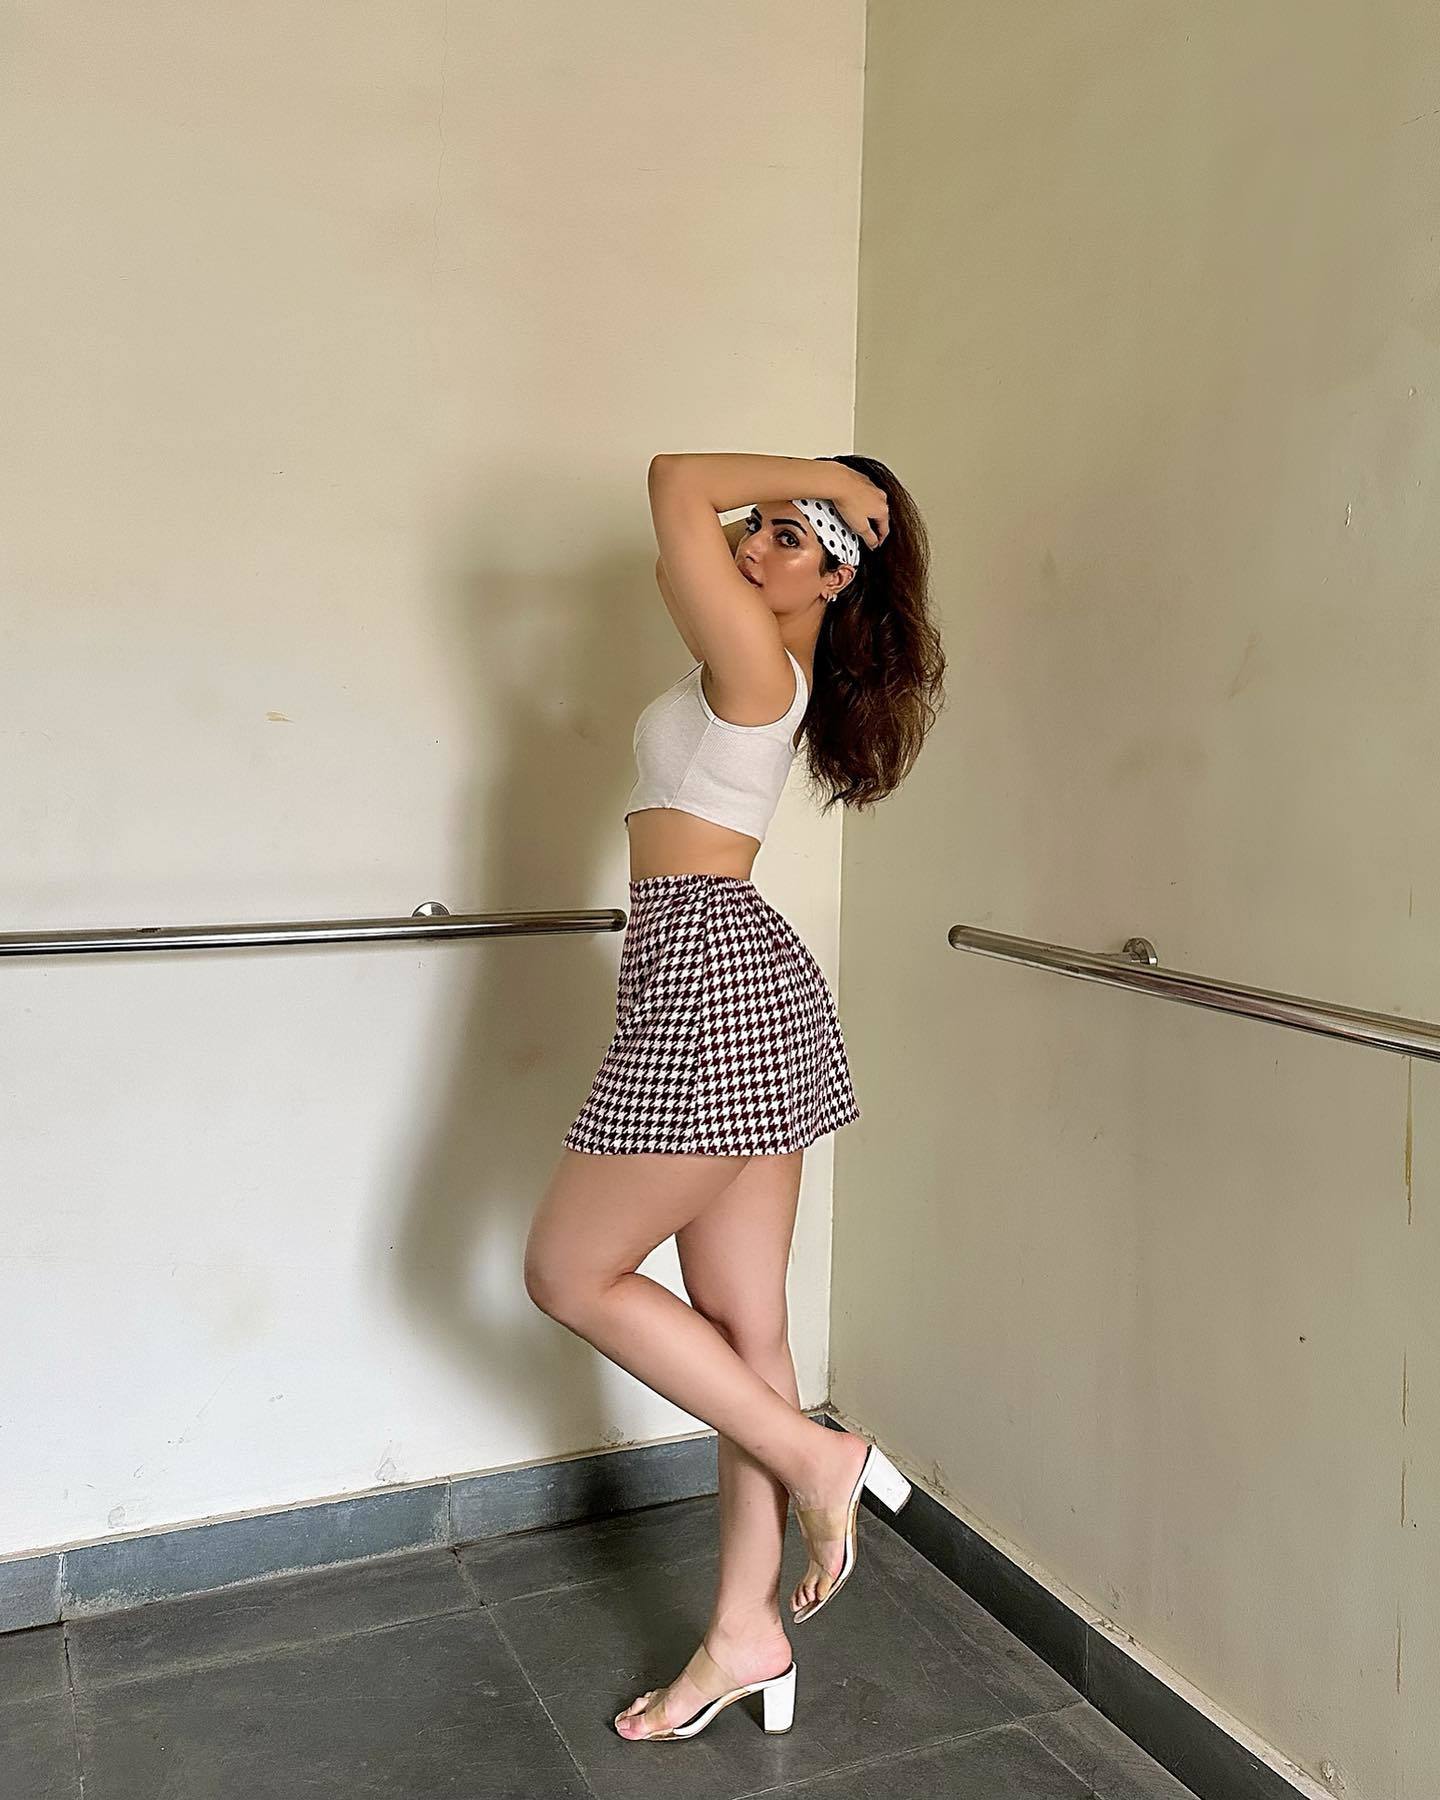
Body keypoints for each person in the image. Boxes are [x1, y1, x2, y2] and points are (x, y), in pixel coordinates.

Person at [524, 450, 945, 1742]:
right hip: (737, 978)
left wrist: (827, 480)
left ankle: (823, 1458)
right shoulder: (748, 658)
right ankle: (745, 1631)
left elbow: (671, 483)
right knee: (743, 1328)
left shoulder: (757, 669)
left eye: (789, 537)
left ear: (839, 574)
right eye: (752, 530)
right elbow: (685, 541)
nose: (752, 547)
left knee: (568, 1273)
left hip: (707, 978)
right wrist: (812, 505)